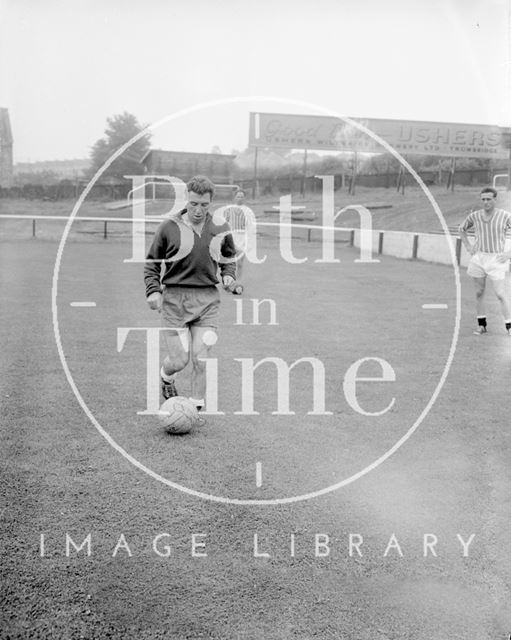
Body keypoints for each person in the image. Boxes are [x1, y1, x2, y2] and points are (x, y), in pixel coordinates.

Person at [144, 175, 237, 416]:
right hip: (174, 301)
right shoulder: (168, 227)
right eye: (194, 203)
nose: (198, 210)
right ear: (186, 198)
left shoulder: (219, 227)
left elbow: (229, 258)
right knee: (180, 360)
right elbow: (152, 263)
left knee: (201, 357)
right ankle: (166, 377)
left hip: (207, 301)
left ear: (211, 202)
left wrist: (228, 276)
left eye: (204, 205)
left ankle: (194, 409)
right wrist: (153, 290)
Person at [459, 186, 511, 335]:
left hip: (497, 259)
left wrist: (509, 254)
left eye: (488, 199)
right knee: (479, 292)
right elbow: (462, 229)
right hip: (479, 258)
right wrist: (468, 246)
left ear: (495, 199)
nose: (486, 202)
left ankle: (509, 326)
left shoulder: (505, 216)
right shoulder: (474, 216)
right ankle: (481, 325)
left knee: (500, 293)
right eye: (483, 199)